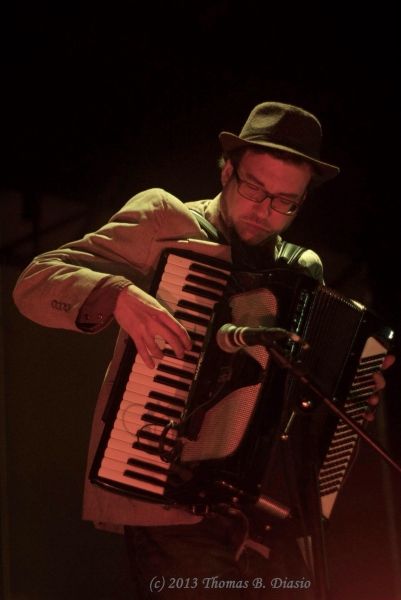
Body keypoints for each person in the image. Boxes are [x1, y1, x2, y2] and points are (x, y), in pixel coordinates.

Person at [13, 102, 394, 599]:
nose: (264, 210)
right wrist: (118, 295)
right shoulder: (166, 220)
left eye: (285, 201)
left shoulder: (302, 271)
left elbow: (293, 400)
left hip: (265, 518)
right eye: (254, 188)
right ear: (227, 171)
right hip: (166, 496)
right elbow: (36, 281)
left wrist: (347, 392)